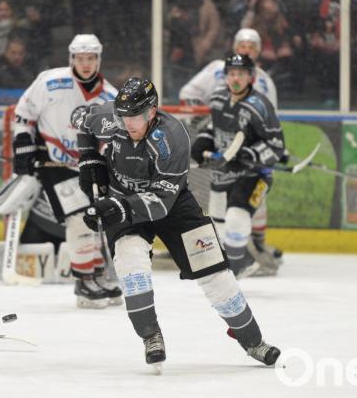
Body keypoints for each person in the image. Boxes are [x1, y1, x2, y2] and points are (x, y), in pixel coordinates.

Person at [76, 77, 281, 368]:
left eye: (134, 116)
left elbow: (160, 203)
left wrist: (117, 207)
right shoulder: (111, 118)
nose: (127, 123)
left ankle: (253, 341)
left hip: (170, 204)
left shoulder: (173, 137)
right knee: (131, 262)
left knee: (215, 273)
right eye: (123, 116)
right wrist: (88, 159)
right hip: (123, 200)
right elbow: (81, 121)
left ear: (151, 111)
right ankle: (151, 336)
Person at [12, 34, 121, 308]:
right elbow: (23, 114)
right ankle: (83, 282)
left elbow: (116, 139)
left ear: (99, 59)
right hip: (54, 164)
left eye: (91, 58)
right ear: (72, 58)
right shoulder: (49, 81)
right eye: (80, 58)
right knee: (79, 219)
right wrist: (23, 144)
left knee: (95, 220)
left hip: (89, 167)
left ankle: (95, 273)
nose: (85, 64)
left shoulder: (111, 97)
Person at [179, 30, 283, 276]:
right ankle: (236, 261)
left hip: (250, 172)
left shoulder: (261, 103)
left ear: (251, 76)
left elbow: (275, 142)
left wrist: (253, 155)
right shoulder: (217, 98)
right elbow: (214, 127)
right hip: (224, 168)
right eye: (232, 74)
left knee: (238, 215)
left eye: (241, 74)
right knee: (217, 221)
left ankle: (243, 259)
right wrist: (203, 142)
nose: (236, 78)